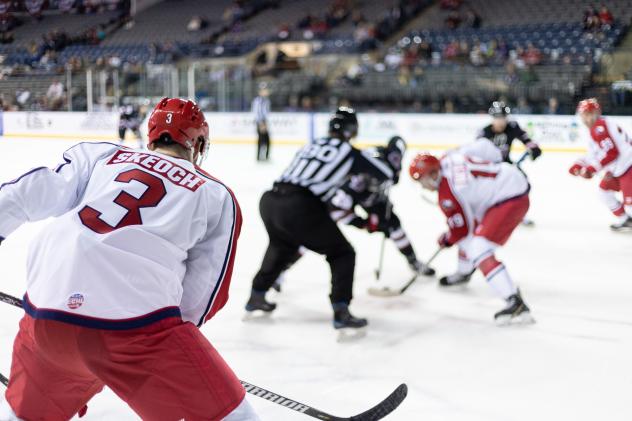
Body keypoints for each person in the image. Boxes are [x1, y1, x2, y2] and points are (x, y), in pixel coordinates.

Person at [0, 98, 258, 420]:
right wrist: (169, 351)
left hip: (45, 318)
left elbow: (26, 193)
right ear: (199, 143)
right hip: (137, 334)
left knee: (23, 416)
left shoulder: (101, 154)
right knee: (235, 416)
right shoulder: (215, 194)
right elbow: (204, 293)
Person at [245, 107, 393, 330]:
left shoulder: (311, 144)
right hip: (300, 205)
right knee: (342, 253)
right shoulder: (349, 151)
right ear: (352, 130)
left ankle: (256, 295)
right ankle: (341, 310)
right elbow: (386, 172)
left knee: (281, 245)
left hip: (270, 200)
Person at [409, 151, 534, 325]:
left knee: (479, 248)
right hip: (507, 181)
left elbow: (462, 230)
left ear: (433, 174)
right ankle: (464, 272)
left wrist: (447, 238)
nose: (422, 186)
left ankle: (514, 301)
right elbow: (487, 148)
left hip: (510, 198)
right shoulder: (447, 158)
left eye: (422, 180)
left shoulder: (448, 192)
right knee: (472, 238)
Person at [570, 98, 632, 231]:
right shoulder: (596, 128)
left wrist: (592, 169)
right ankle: (626, 220)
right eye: (583, 115)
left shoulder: (600, 127)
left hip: (628, 166)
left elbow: (611, 153)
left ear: (596, 113)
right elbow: (594, 153)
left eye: (588, 114)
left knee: (630, 206)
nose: (585, 119)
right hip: (619, 168)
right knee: (603, 192)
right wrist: (579, 164)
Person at [477, 101, 542, 163]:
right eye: (497, 118)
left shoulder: (512, 127)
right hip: (489, 167)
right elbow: (476, 152)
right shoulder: (484, 133)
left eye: (503, 117)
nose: (500, 121)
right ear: (493, 118)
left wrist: (534, 148)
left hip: (506, 165)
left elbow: (525, 139)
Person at [252, 85, 271, 161]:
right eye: (263, 90)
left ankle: (265, 156)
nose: (265, 92)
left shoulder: (267, 101)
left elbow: (266, 112)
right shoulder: (257, 101)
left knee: (267, 140)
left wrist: (265, 122)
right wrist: (261, 123)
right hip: (260, 122)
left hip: (264, 122)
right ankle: (259, 157)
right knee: (261, 139)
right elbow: (256, 112)